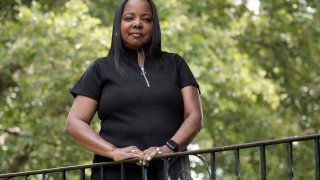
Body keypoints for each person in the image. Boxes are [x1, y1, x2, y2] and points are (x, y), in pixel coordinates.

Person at [65, 0, 203, 179]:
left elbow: (195, 117)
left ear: (154, 26)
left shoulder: (176, 64)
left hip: (170, 172)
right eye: (129, 18)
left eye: (146, 19)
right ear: (118, 24)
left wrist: (167, 149)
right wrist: (113, 152)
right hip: (114, 173)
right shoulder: (101, 68)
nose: (137, 23)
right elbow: (74, 123)